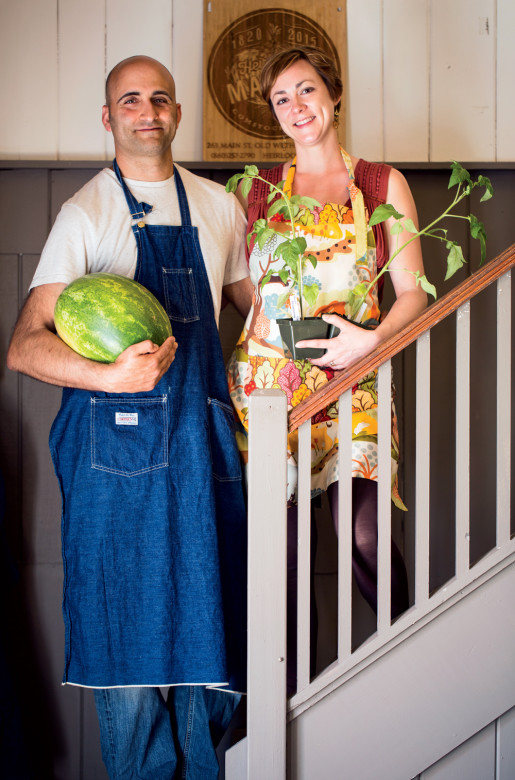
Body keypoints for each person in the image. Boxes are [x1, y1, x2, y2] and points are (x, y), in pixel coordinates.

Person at [7, 55, 252, 779]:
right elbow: (24, 347)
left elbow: (257, 316)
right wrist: (105, 375)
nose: (148, 111)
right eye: (130, 100)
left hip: (203, 454)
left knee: (212, 650)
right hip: (115, 466)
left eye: (161, 99)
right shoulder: (86, 211)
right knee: (131, 653)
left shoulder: (220, 207)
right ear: (108, 118)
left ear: (176, 114)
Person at [226, 46, 428, 693]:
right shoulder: (258, 191)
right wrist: (272, 329)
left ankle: (414, 661)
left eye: (305, 89)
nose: (295, 107)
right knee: (282, 557)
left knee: (359, 530)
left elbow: (413, 294)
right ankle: (290, 702)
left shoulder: (377, 183)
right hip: (271, 393)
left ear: (333, 94)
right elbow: (242, 290)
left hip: (354, 384)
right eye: (280, 98)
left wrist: (365, 343)